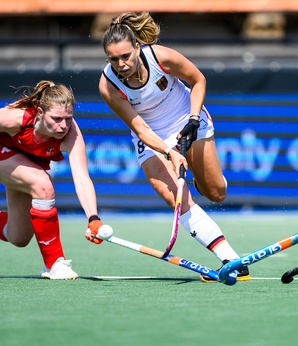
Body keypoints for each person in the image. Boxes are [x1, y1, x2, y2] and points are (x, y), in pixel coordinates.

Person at [94, 11, 249, 282]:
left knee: (216, 193)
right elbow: (141, 128)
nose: (121, 64)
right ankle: (230, 259)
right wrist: (170, 153)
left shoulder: (160, 57)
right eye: (113, 59)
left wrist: (192, 119)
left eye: (125, 56)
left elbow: (198, 80)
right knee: (175, 196)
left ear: (137, 48)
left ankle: (203, 180)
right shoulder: (108, 85)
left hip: (187, 116)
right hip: (153, 136)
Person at [0, 80, 106, 280]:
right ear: (40, 113)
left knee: (18, 237)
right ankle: (54, 263)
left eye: (68, 118)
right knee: (43, 186)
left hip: (29, 161)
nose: (63, 126)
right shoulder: (16, 119)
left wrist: (93, 219)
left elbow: (81, 178)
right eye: (57, 118)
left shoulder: (71, 135)